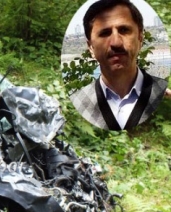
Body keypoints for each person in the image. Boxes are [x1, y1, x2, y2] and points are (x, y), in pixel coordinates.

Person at [70, 0, 168, 131]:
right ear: (91, 48)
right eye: (105, 33)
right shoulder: (78, 103)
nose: (116, 43)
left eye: (124, 30)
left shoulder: (163, 98)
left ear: (140, 38)